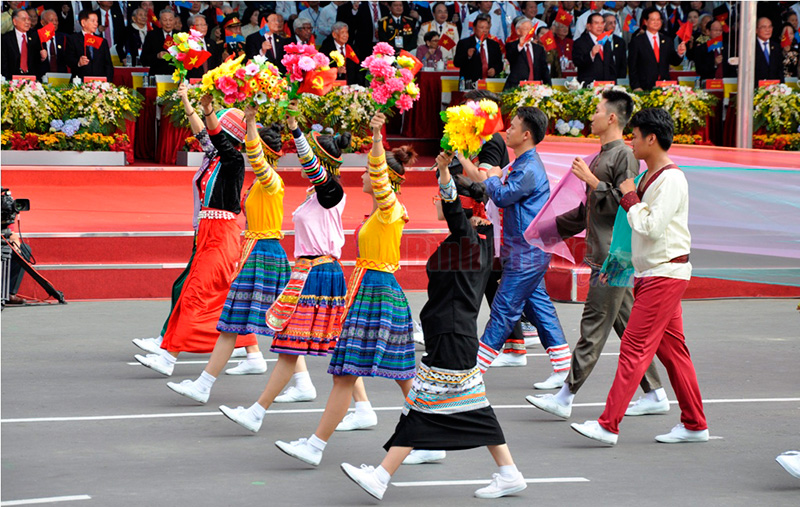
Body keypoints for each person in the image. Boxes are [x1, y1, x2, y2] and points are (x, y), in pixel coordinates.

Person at [338, 152, 527, 501]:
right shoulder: (478, 239)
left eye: (441, 197)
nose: (438, 202)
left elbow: (455, 212)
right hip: (453, 332)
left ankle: (381, 475)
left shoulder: (469, 239)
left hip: (452, 334)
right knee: (468, 405)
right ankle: (509, 472)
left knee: (423, 404)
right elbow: (458, 216)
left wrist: (443, 173)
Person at [274, 113, 418, 468]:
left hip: (378, 295)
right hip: (369, 292)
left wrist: (375, 137)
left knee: (368, 374)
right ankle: (317, 445)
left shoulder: (388, 209)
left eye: (371, 171)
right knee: (378, 376)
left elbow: (382, 178)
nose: (366, 174)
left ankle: (316, 445)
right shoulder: (379, 214)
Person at [527, 90, 670, 421]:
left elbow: (628, 203)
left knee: (593, 325)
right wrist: (545, 230)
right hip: (604, 254)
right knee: (629, 328)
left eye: (596, 110)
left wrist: (593, 182)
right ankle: (656, 393)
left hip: (615, 257)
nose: (590, 116)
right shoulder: (599, 156)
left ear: (612, 118)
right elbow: (586, 211)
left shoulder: (625, 157)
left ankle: (565, 395)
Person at [571, 108, 708, 446]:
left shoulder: (671, 179)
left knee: (634, 346)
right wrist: (616, 267)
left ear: (651, 138)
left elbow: (650, 225)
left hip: (665, 273)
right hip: (654, 271)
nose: (630, 140)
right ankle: (694, 423)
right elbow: (632, 231)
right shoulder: (650, 177)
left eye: (635, 135)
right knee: (673, 352)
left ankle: (608, 425)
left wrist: (630, 196)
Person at [217, 102, 351, 427]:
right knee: (300, 347)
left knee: (325, 346)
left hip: (320, 273)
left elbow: (310, 165)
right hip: (308, 272)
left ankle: (258, 411)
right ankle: (257, 411)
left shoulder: (330, 191)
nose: (305, 164)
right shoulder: (315, 194)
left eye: (312, 160)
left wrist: (295, 130)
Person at [165, 97, 289, 402]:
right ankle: (205, 377)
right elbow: (210, 138)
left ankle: (170, 355)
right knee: (241, 313)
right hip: (246, 246)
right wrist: (192, 106)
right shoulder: (244, 172)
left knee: (279, 322)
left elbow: (235, 147)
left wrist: (246, 123)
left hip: (261, 250)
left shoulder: (262, 175)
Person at [134, 91, 255, 377]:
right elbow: (204, 131)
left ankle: (169, 356)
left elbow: (214, 134)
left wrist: (209, 108)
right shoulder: (216, 157)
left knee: (194, 294)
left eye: (220, 135)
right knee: (218, 297)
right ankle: (252, 353)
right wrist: (191, 103)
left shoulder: (233, 160)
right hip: (210, 234)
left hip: (221, 235)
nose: (211, 140)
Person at [475, 107, 572, 392]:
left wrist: (491, 177)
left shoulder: (528, 167)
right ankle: (563, 367)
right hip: (524, 249)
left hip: (526, 252)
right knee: (538, 306)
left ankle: (472, 373)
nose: (508, 130)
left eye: (513, 126)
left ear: (526, 134)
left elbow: (504, 196)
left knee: (503, 309)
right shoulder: (523, 163)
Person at [628, 7, 686, 91]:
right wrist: (636, 86)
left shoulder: (667, 40)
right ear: (646, 22)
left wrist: (680, 53)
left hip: (665, 86)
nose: (656, 22)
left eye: (658, 19)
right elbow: (632, 66)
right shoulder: (637, 41)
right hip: (644, 87)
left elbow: (674, 61)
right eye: (653, 20)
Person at [573, 12, 622, 87]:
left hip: (607, 86)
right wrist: (591, 54)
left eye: (602, 23)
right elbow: (577, 62)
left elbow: (611, 66)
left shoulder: (606, 42)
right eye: (596, 23)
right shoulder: (580, 42)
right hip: (589, 86)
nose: (600, 26)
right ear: (589, 26)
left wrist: (614, 84)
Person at [64, 9, 114, 82]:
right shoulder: (73, 39)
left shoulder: (102, 41)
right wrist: (78, 63)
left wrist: (107, 82)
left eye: (97, 21)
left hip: (99, 83)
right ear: (83, 22)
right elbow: (68, 59)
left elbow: (108, 65)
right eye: (93, 21)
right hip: (80, 82)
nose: (96, 24)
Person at [453, 14, 503, 85]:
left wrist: (495, 70)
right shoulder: (464, 43)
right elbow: (457, 63)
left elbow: (499, 64)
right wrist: (468, 56)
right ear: (474, 29)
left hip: (489, 84)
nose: (485, 31)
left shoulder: (494, 45)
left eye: (487, 28)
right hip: (470, 84)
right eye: (482, 28)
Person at [504, 17, 551, 90]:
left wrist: (548, 87)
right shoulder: (512, 46)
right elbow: (511, 58)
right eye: (526, 29)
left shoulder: (539, 49)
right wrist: (521, 45)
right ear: (518, 31)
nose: (530, 32)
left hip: (536, 88)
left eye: (531, 29)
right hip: (516, 87)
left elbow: (544, 70)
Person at [1, 8, 43, 81]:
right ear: (15, 21)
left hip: (32, 80)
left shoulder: (35, 37)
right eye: (24, 19)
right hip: (11, 80)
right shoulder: (5, 39)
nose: (27, 22)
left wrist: (43, 56)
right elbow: (3, 62)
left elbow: (38, 61)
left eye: (28, 19)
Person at [139, 8, 176, 76]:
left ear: (174, 21)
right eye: (165, 20)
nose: (168, 23)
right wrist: (157, 56)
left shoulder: (181, 36)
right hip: (157, 74)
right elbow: (143, 59)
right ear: (160, 21)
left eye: (170, 20)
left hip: (176, 75)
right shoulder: (152, 35)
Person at [754, 17, 784, 84]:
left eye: (770, 27)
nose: (767, 30)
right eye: (764, 27)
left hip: (774, 89)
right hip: (755, 89)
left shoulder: (776, 47)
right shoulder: (751, 47)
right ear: (756, 30)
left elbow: (780, 71)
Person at [40, 10, 69, 74]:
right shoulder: (37, 38)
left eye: (56, 20)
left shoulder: (65, 38)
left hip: (61, 78)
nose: (55, 23)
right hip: (42, 76)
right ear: (42, 23)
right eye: (51, 20)